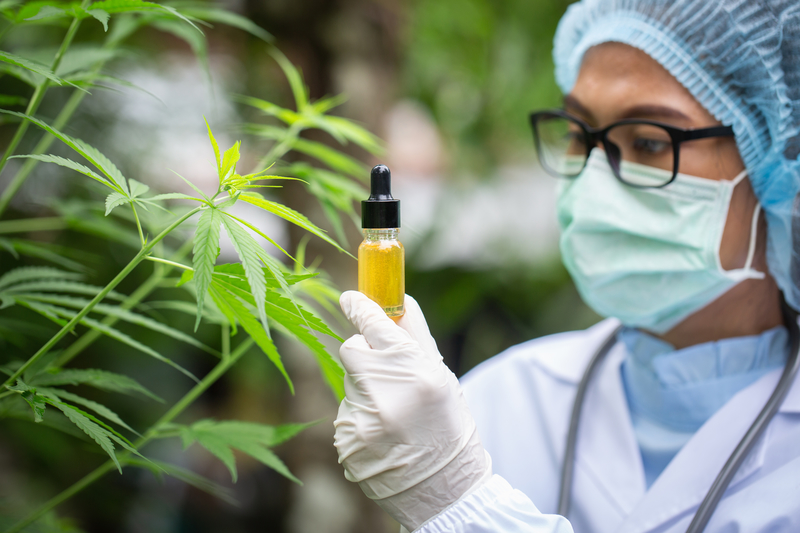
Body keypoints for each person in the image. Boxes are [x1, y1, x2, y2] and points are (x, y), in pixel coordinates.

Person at [333, 1, 800, 532]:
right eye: (580, 134)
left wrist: (459, 505)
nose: (594, 179)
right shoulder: (494, 404)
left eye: (648, 141)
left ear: (782, 159)